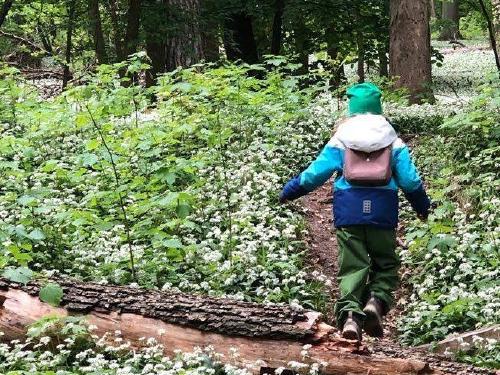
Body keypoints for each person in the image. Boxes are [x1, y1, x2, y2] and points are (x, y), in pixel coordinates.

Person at [279, 82, 430, 341]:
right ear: (378, 107)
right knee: (386, 263)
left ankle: (350, 317)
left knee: (352, 266)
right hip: (383, 210)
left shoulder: (341, 139)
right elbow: (410, 181)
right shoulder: (393, 140)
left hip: (348, 209)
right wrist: (423, 207)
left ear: (352, 109)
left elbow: (315, 174)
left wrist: (288, 191)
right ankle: (376, 302)